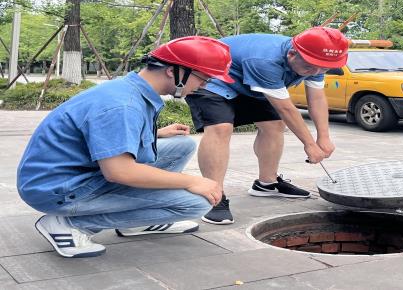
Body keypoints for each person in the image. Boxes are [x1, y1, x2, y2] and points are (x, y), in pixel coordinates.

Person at [17, 36, 234, 258]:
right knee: (196, 203)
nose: (204, 86)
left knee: (181, 145)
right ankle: (70, 225)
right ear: (173, 71)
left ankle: (137, 223)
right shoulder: (123, 105)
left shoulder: (129, 89)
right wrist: (193, 181)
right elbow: (119, 172)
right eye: (203, 78)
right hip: (59, 190)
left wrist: (154, 134)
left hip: (69, 174)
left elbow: (103, 132)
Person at [185, 26, 349, 224]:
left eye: (323, 69)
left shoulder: (315, 60)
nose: (315, 72)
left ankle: (266, 184)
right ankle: (213, 195)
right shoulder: (265, 61)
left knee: (274, 125)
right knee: (220, 128)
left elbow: (317, 98)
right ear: (292, 54)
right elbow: (286, 108)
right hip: (211, 79)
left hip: (248, 84)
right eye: (309, 67)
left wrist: (323, 137)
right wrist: (310, 144)